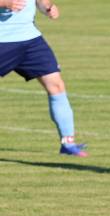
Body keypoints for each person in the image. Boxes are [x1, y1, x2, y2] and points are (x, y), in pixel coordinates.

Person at [0, 0, 88, 157]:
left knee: (56, 86)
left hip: (31, 41)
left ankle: (68, 144)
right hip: (2, 42)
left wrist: (48, 8)